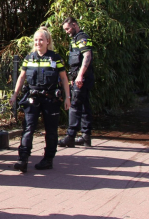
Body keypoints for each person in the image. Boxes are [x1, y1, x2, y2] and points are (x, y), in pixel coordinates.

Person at [9, 27, 71, 173]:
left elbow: (63, 78)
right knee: (28, 128)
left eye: (41, 40)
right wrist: (15, 94)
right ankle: (23, 159)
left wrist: (68, 98)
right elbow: (22, 77)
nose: (38, 42)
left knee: (51, 130)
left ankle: (48, 159)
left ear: (47, 41)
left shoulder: (55, 58)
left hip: (50, 99)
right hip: (33, 98)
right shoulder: (29, 58)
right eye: (36, 40)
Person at [58, 17, 96, 147]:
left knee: (74, 105)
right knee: (84, 105)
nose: (67, 32)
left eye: (68, 28)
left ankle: (70, 136)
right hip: (79, 77)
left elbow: (87, 56)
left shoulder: (82, 37)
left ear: (74, 25)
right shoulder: (75, 39)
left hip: (82, 77)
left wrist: (79, 76)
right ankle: (86, 136)